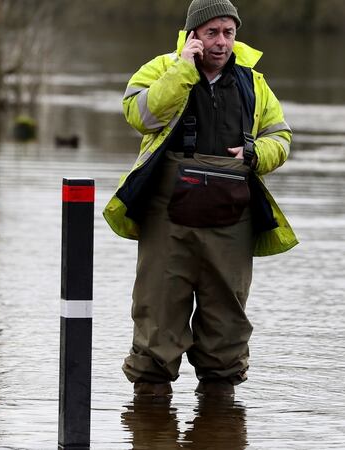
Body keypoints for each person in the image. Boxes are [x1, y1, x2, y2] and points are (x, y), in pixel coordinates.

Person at [103, 0, 297, 397]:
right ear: (193, 34)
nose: (222, 42)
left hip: (233, 216)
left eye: (229, 32)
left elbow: (281, 136)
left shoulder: (253, 83)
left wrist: (256, 154)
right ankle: (151, 403)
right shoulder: (161, 68)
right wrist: (182, 70)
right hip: (166, 212)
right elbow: (140, 115)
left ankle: (219, 403)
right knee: (157, 310)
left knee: (227, 320)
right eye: (212, 33)